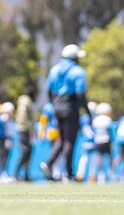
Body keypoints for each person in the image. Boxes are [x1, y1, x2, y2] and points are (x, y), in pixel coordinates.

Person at [41, 44, 88, 182]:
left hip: (57, 106)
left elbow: (49, 91)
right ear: (74, 58)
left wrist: (54, 105)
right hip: (70, 107)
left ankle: (48, 163)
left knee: (61, 140)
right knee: (69, 141)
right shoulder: (78, 71)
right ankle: (68, 173)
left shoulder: (54, 70)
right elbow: (81, 94)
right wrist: (86, 111)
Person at [13, 87, 37, 182]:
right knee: (25, 151)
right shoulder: (25, 102)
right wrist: (28, 127)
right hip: (24, 130)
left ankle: (26, 175)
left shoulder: (28, 102)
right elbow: (22, 116)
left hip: (27, 130)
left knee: (29, 152)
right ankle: (16, 173)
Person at [89, 103, 114, 183]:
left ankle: (100, 176)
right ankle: (111, 175)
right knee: (109, 159)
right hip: (106, 140)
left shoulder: (95, 120)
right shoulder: (108, 119)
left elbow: (93, 132)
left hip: (98, 141)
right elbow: (110, 132)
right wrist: (112, 142)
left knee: (99, 160)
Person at [75, 101, 97, 182]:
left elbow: (80, 130)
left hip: (85, 142)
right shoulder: (95, 118)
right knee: (93, 160)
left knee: (83, 159)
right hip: (94, 142)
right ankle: (92, 176)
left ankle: (80, 175)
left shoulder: (83, 118)